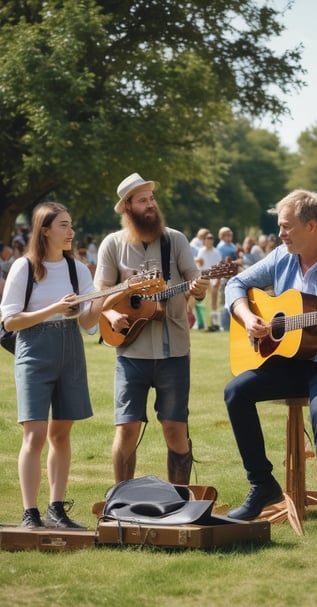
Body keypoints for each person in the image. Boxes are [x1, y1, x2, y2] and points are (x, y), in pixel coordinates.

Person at [224, 189, 317, 544]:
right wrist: (247, 318)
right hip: (289, 360)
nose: (281, 234)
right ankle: (262, 485)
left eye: (286, 226)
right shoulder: (282, 257)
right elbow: (236, 283)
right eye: (279, 227)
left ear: (311, 226)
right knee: (235, 392)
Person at [94, 172, 209, 485]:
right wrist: (113, 315)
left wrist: (199, 288)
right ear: (128, 207)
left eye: (152, 198)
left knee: (174, 429)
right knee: (127, 427)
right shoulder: (113, 245)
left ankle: (180, 500)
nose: (150, 205)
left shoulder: (176, 240)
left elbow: (197, 285)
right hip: (130, 350)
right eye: (142, 200)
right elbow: (100, 294)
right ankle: (120, 500)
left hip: (174, 350)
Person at [0, 202, 104, 529]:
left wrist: (105, 301)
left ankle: (56, 509)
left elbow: (88, 323)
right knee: (35, 434)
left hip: (70, 349)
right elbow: (11, 321)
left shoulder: (79, 269)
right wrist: (55, 308)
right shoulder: (24, 267)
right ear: (44, 230)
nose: (71, 231)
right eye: (63, 225)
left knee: (61, 434)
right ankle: (29, 513)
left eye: (70, 224)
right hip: (34, 349)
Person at [196, 232, 222, 330]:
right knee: (207, 302)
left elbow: (219, 267)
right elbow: (199, 266)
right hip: (205, 278)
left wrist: (218, 280)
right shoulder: (201, 251)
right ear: (204, 240)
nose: (209, 240)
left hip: (214, 277)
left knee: (215, 302)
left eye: (211, 238)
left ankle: (215, 324)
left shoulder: (216, 252)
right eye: (207, 238)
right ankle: (208, 324)